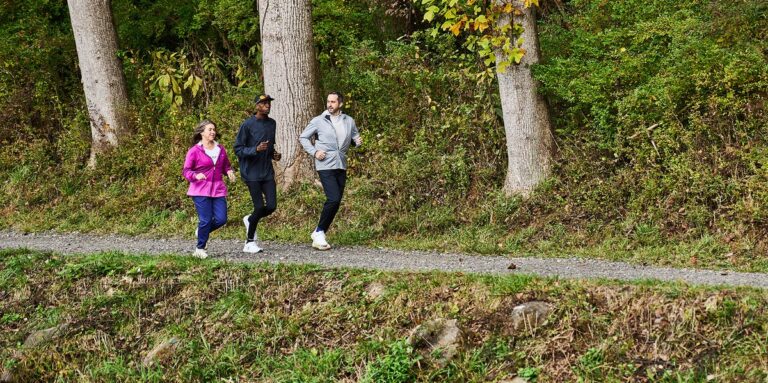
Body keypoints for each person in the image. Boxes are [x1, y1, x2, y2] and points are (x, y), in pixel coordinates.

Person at [299, 91, 362, 250]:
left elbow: (354, 137)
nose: (330, 104)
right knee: (333, 198)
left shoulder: (349, 121)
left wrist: (357, 141)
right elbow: (303, 137)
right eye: (328, 101)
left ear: (340, 103)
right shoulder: (319, 121)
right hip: (325, 163)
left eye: (333, 102)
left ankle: (318, 232)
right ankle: (319, 232)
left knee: (336, 201)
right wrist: (314, 152)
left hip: (341, 164)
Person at [234, 94, 282, 253]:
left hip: (267, 171)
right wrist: (255, 149)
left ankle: (250, 219)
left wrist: (274, 154)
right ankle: (249, 242)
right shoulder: (247, 125)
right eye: (263, 103)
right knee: (259, 206)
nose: (267, 105)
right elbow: (238, 149)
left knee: (272, 206)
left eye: (268, 102)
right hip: (251, 172)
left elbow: (269, 147)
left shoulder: (272, 124)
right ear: (256, 106)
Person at [182, 119, 236, 259]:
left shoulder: (220, 149)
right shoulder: (194, 151)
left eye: (214, 129)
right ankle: (199, 249)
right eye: (209, 129)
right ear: (201, 133)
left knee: (221, 219)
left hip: (218, 188)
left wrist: (229, 172)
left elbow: (226, 166)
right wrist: (195, 175)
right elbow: (186, 171)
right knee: (205, 220)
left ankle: (201, 232)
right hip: (200, 189)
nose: (213, 132)